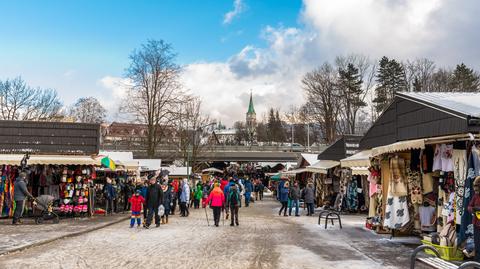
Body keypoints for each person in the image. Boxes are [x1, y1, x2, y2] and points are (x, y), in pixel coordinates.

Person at [468, 176, 480, 262]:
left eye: (477, 186)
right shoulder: (475, 196)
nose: (475, 189)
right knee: (477, 245)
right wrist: (473, 209)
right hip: (476, 224)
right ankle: (477, 263)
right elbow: (469, 206)